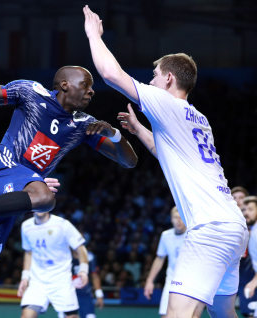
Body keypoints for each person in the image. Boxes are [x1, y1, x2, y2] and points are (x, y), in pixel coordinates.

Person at [0, 67, 138, 318]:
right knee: (45, 198)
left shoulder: (85, 125)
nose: (92, 91)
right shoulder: (31, 93)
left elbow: (129, 162)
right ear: (64, 84)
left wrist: (114, 134)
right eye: (85, 84)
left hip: (12, 198)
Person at [83, 5, 248, 318]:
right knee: (225, 314)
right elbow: (169, 155)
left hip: (209, 229)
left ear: (170, 78)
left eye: (155, 76)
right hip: (233, 227)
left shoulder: (164, 101)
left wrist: (94, 35)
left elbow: (110, 74)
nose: (152, 82)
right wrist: (140, 130)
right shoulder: (199, 118)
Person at [18, 212, 89, 318]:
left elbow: (81, 248)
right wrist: (25, 277)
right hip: (37, 282)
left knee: (72, 316)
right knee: (26, 315)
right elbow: (28, 253)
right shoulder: (25, 226)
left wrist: (83, 270)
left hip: (61, 281)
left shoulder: (63, 224)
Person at [144, 207, 186, 318]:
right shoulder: (165, 236)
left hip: (189, 282)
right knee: (165, 315)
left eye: (181, 217)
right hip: (171, 281)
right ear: (171, 219)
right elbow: (159, 259)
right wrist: (149, 281)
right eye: (176, 217)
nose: (178, 220)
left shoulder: (193, 235)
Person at [231, 187, 256, 318]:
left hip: (252, 275)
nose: (238, 201)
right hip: (237, 276)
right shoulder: (228, 222)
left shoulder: (253, 224)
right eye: (234, 198)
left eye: (241, 198)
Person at [71, 246, 104, 318]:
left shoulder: (90, 257)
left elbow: (95, 276)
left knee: (90, 316)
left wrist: (99, 295)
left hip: (85, 295)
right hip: (69, 295)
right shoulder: (64, 257)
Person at [242, 196, 257, 318]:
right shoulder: (252, 231)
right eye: (244, 210)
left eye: (250, 209)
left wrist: (253, 282)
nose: (246, 213)